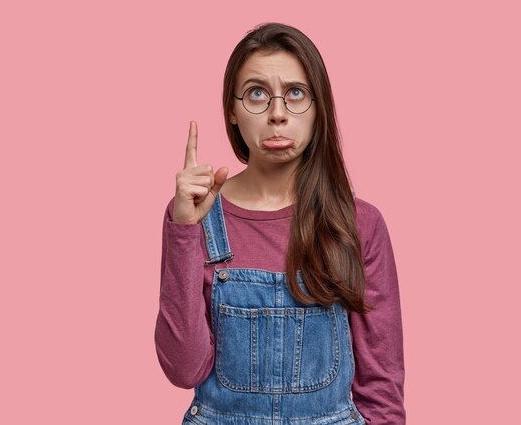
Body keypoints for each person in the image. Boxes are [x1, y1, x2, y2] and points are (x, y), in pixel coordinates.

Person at [155, 22, 405, 425]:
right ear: (233, 111)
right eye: (256, 93)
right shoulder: (196, 215)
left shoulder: (360, 224)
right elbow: (183, 370)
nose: (276, 114)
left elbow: (382, 384)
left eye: (295, 94)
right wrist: (184, 232)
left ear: (318, 107)